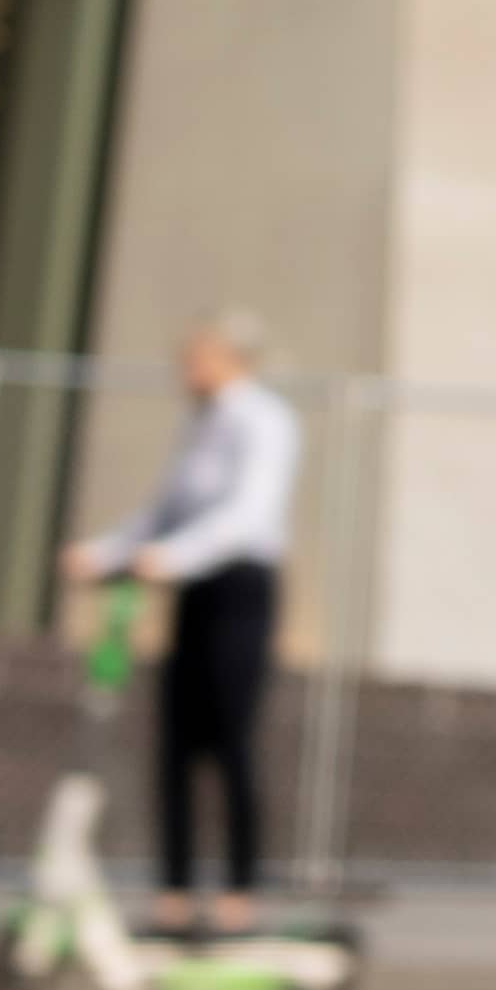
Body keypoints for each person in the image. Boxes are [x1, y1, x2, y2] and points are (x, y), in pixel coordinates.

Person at [63, 312, 297, 936]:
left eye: (200, 356)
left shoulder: (264, 420)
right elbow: (162, 513)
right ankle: (175, 892)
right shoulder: (198, 426)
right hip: (191, 589)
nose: (187, 368)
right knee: (176, 743)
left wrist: (172, 558)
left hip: (239, 587)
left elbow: (247, 514)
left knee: (231, 739)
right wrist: (107, 553)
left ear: (234, 358)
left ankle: (241, 892)